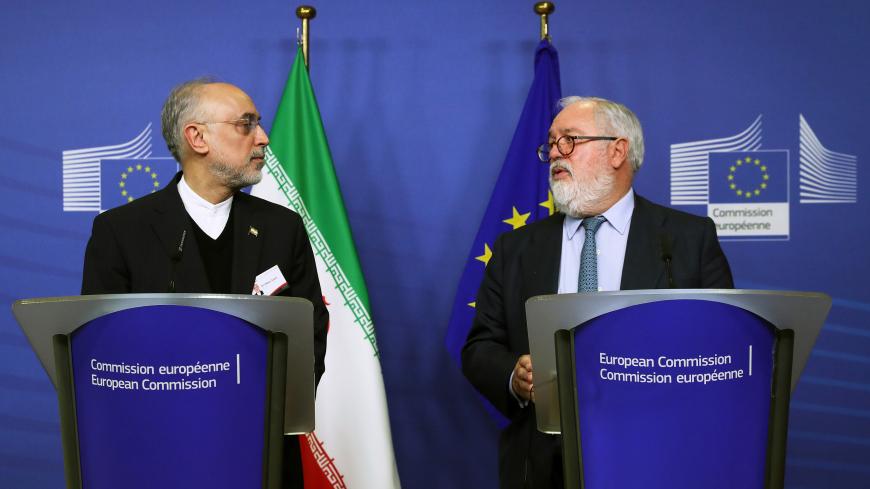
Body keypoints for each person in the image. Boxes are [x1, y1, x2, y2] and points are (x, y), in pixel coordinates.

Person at [461, 96, 733, 489]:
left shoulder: (688, 240)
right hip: (541, 462)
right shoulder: (515, 248)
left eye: (570, 140)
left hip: (655, 454)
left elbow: (721, 344)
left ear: (618, 151)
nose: (556, 153)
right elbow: (479, 347)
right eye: (551, 143)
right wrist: (513, 376)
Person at [81, 79, 328, 489]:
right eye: (245, 124)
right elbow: (105, 352)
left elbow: (310, 337)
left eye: (258, 124)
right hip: (157, 454)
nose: (263, 138)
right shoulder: (121, 231)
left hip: (260, 451)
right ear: (196, 137)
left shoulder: (282, 228)